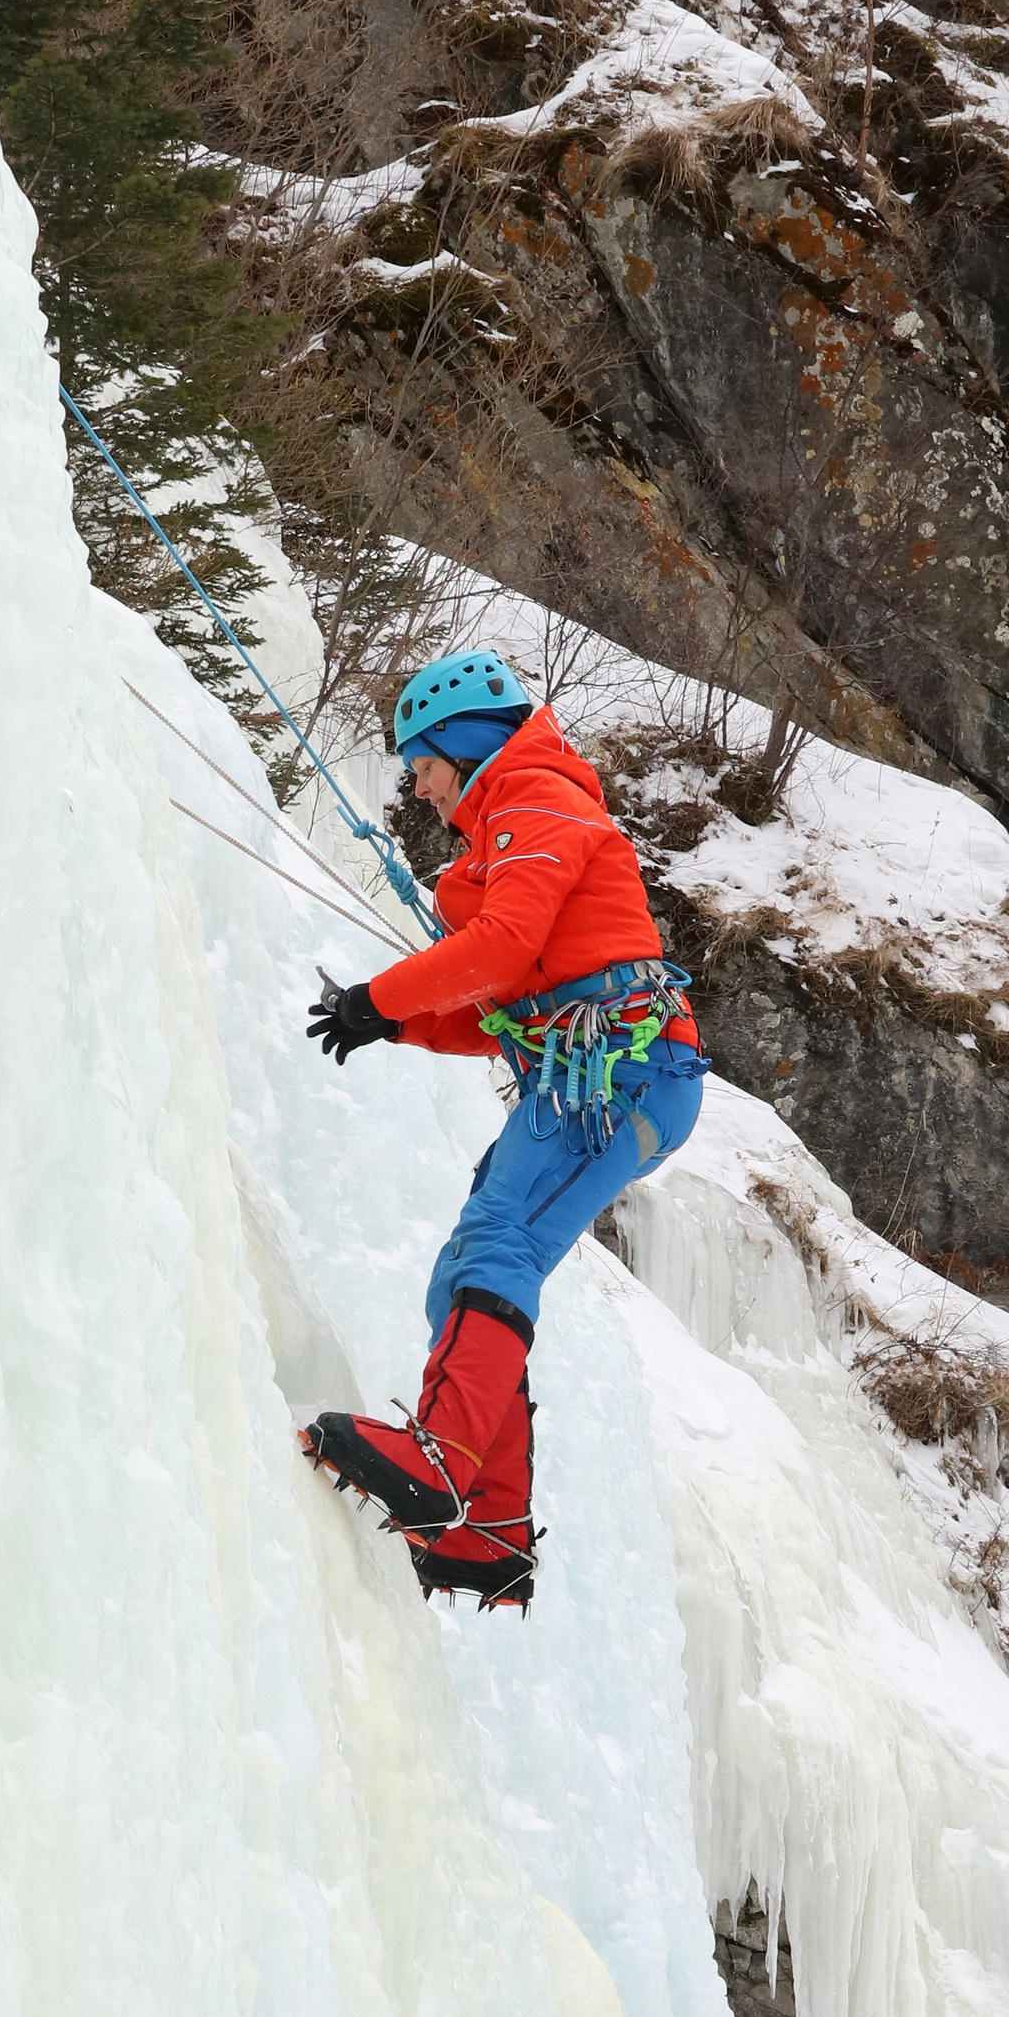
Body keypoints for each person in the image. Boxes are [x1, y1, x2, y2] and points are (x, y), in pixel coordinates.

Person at [300, 651, 704, 1610]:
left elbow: (503, 951)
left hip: (619, 1070)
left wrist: (379, 998)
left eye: (425, 763)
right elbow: (500, 1002)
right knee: (468, 1271)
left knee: (498, 1242)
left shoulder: (536, 794)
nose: (420, 785)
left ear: (464, 741)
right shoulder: (512, 827)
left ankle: (442, 1466)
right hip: (597, 1072)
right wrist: (385, 1019)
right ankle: (487, 1525)